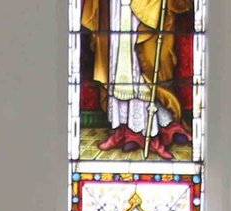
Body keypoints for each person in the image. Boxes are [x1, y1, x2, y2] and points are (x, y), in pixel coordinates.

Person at [79, 0, 194, 158]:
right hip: (117, 7)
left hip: (147, 6)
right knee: (120, 58)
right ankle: (124, 129)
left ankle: (155, 130)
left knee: (149, 61)